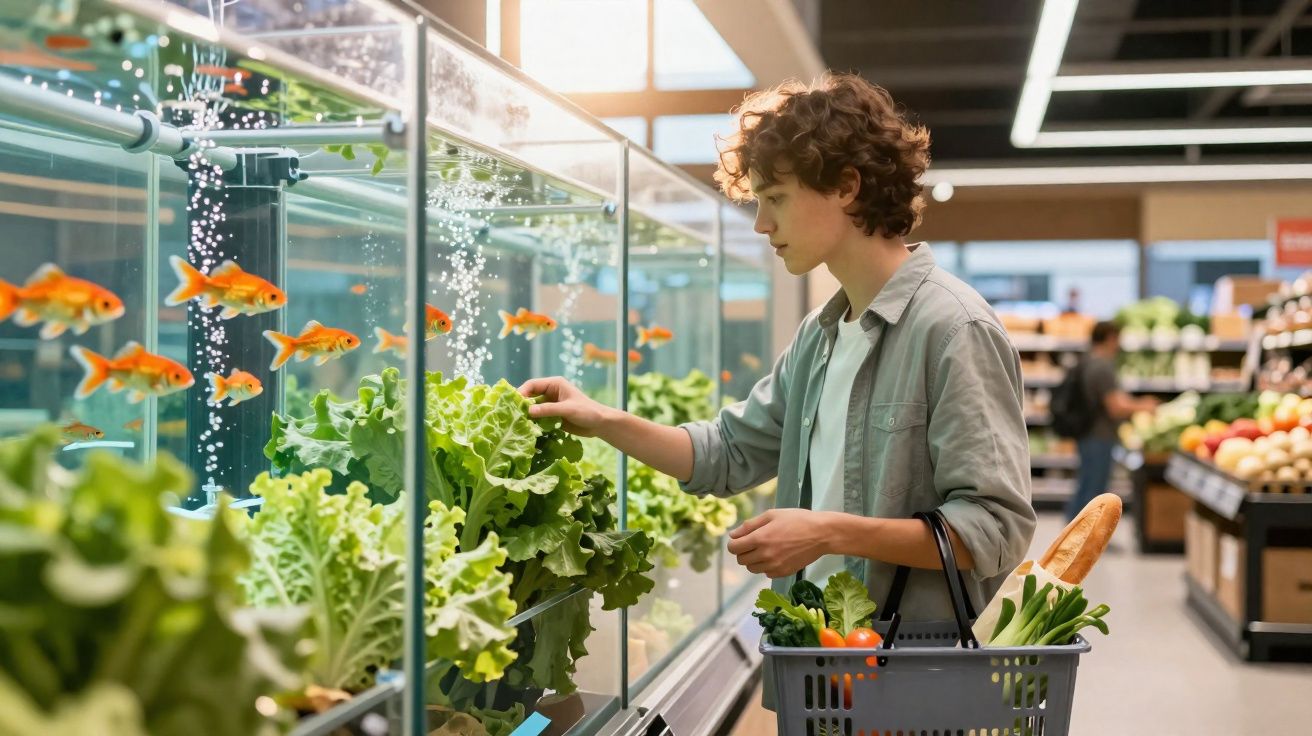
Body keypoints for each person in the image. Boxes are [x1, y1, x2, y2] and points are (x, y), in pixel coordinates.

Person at [519, 73, 1035, 625]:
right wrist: (600, 419)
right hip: (816, 663)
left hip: (909, 678)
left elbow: (995, 530)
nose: (763, 223)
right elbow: (726, 454)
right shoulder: (819, 336)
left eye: (777, 199)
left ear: (846, 186)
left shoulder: (955, 329)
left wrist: (828, 531)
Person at [1068, 321, 1158, 520]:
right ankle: (1085, 538)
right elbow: (1116, 407)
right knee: (1094, 491)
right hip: (1099, 436)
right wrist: (1145, 406)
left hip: (1088, 434)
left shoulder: (1088, 361)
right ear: (1110, 338)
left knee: (1086, 485)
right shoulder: (1102, 367)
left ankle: (1073, 533)